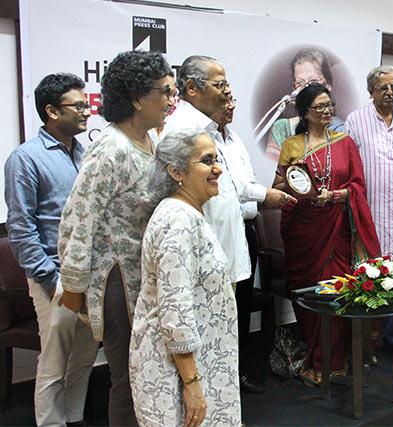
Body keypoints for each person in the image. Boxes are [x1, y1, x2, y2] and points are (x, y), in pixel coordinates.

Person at [163, 55, 295, 394]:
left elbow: (236, 185)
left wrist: (266, 195)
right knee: (206, 326)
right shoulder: (184, 129)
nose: (226, 95)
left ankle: (222, 386)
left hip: (232, 236)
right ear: (190, 88)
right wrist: (265, 195)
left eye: (227, 86)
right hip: (205, 244)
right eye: (219, 86)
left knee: (227, 321)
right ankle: (204, 392)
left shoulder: (217, 133)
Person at [58, 50, 175, 426]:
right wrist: (73, 285)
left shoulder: (149, 141)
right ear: (138, 98)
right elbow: (79, 219)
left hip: (143, 276)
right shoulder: (111, 149)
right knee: (127, 378)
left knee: (145, 372)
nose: (171, 101)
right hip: (117, 282)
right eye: (164, 92)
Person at [4, 73, 98, 426]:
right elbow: (21, 228)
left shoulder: (83, 154)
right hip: (54, 276)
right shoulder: (25, 159)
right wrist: (49, 279)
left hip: (88, 273)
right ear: (51, 111)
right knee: (55, 361)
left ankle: (74, 418)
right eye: (78, 105)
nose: (86, 112)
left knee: (85, 356)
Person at [129, 129, 241, 426]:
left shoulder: (188, 213)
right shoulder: (178, 221)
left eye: (217, 159)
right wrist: (191, 385)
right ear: (176, 171)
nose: (218, 168)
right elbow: (175, 312)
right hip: (176, 376)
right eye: (206, 160)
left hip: (198, 368)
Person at [272, 83, 381, 385]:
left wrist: (333, 196)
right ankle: (315, 359)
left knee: (337, 292)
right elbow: (279, 187)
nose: (326, 111)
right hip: (303, 232)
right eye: (319, 107)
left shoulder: (345, 142)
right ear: (305, 112)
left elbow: (359, 188)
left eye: (329, 105)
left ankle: (334, 361)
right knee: (310, 296)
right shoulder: (292, 145)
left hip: (337, 229)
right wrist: (293, 178)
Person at [345, 65, 393, 360]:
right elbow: (350, 165)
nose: (389, 93)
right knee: (373, 277)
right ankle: (369, 344)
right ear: (370, 92)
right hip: (372, 214)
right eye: (382, 88)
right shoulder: (356, 120)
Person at [265, 47, 346, 160]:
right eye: (300, 83)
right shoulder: (282, 128)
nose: (306, 89)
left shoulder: (342, 131)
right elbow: (273, 169)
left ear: (327, 86)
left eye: (313, 82)